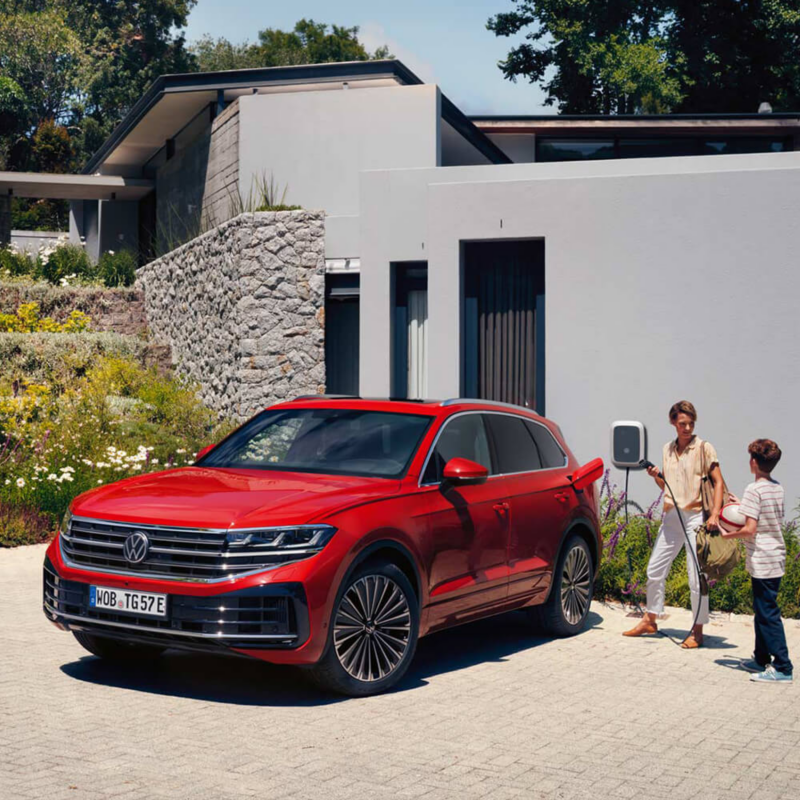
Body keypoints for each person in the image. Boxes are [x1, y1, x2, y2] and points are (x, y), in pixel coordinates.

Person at [623, 400, 725, 648]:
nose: (687, 428)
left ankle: (697, 630)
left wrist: (715, 514)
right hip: (671, 516)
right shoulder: (667, 449)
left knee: (695, 577)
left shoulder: (703, 448)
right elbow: (667, 485)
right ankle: (650, 619)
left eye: (690, 423)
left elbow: (719, 482)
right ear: (673, 422)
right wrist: (657, 477)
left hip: (695, 517)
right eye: (682, 423)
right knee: (654, 570)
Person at [722, 440, 792, 682]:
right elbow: (765, 517)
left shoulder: (754, 489)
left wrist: (727, 534)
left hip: (762, 558)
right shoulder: (777, 487)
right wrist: (742, 505)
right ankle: (761, 658)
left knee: (768, 613)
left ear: (753, 462)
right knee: (763, 610)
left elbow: (750, 529)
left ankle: (783, 667)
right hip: (776, 556)